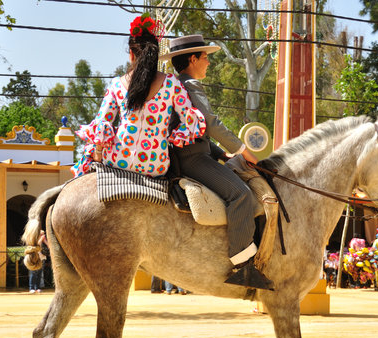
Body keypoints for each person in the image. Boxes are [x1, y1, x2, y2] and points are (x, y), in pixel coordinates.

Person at [161, 34, 273, 291]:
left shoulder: (178, 85)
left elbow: (194, 129)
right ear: (192, 59)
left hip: (195, 153)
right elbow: (210, 123)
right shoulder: (189, 85)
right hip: (192, 159)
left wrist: (223, 154)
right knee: (242, 195)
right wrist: (243, 150)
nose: (208, 63)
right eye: (205, 58)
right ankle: (242, 266)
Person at [71, 14, 205, 178]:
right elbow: (189, 119)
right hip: (156, 165)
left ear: (131, 55)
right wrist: (172, 137)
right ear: (154, 54)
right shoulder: (171, 83)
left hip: (118, 159)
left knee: (84, 164)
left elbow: (102, 122)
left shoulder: (117, 84)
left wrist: (97, 152)